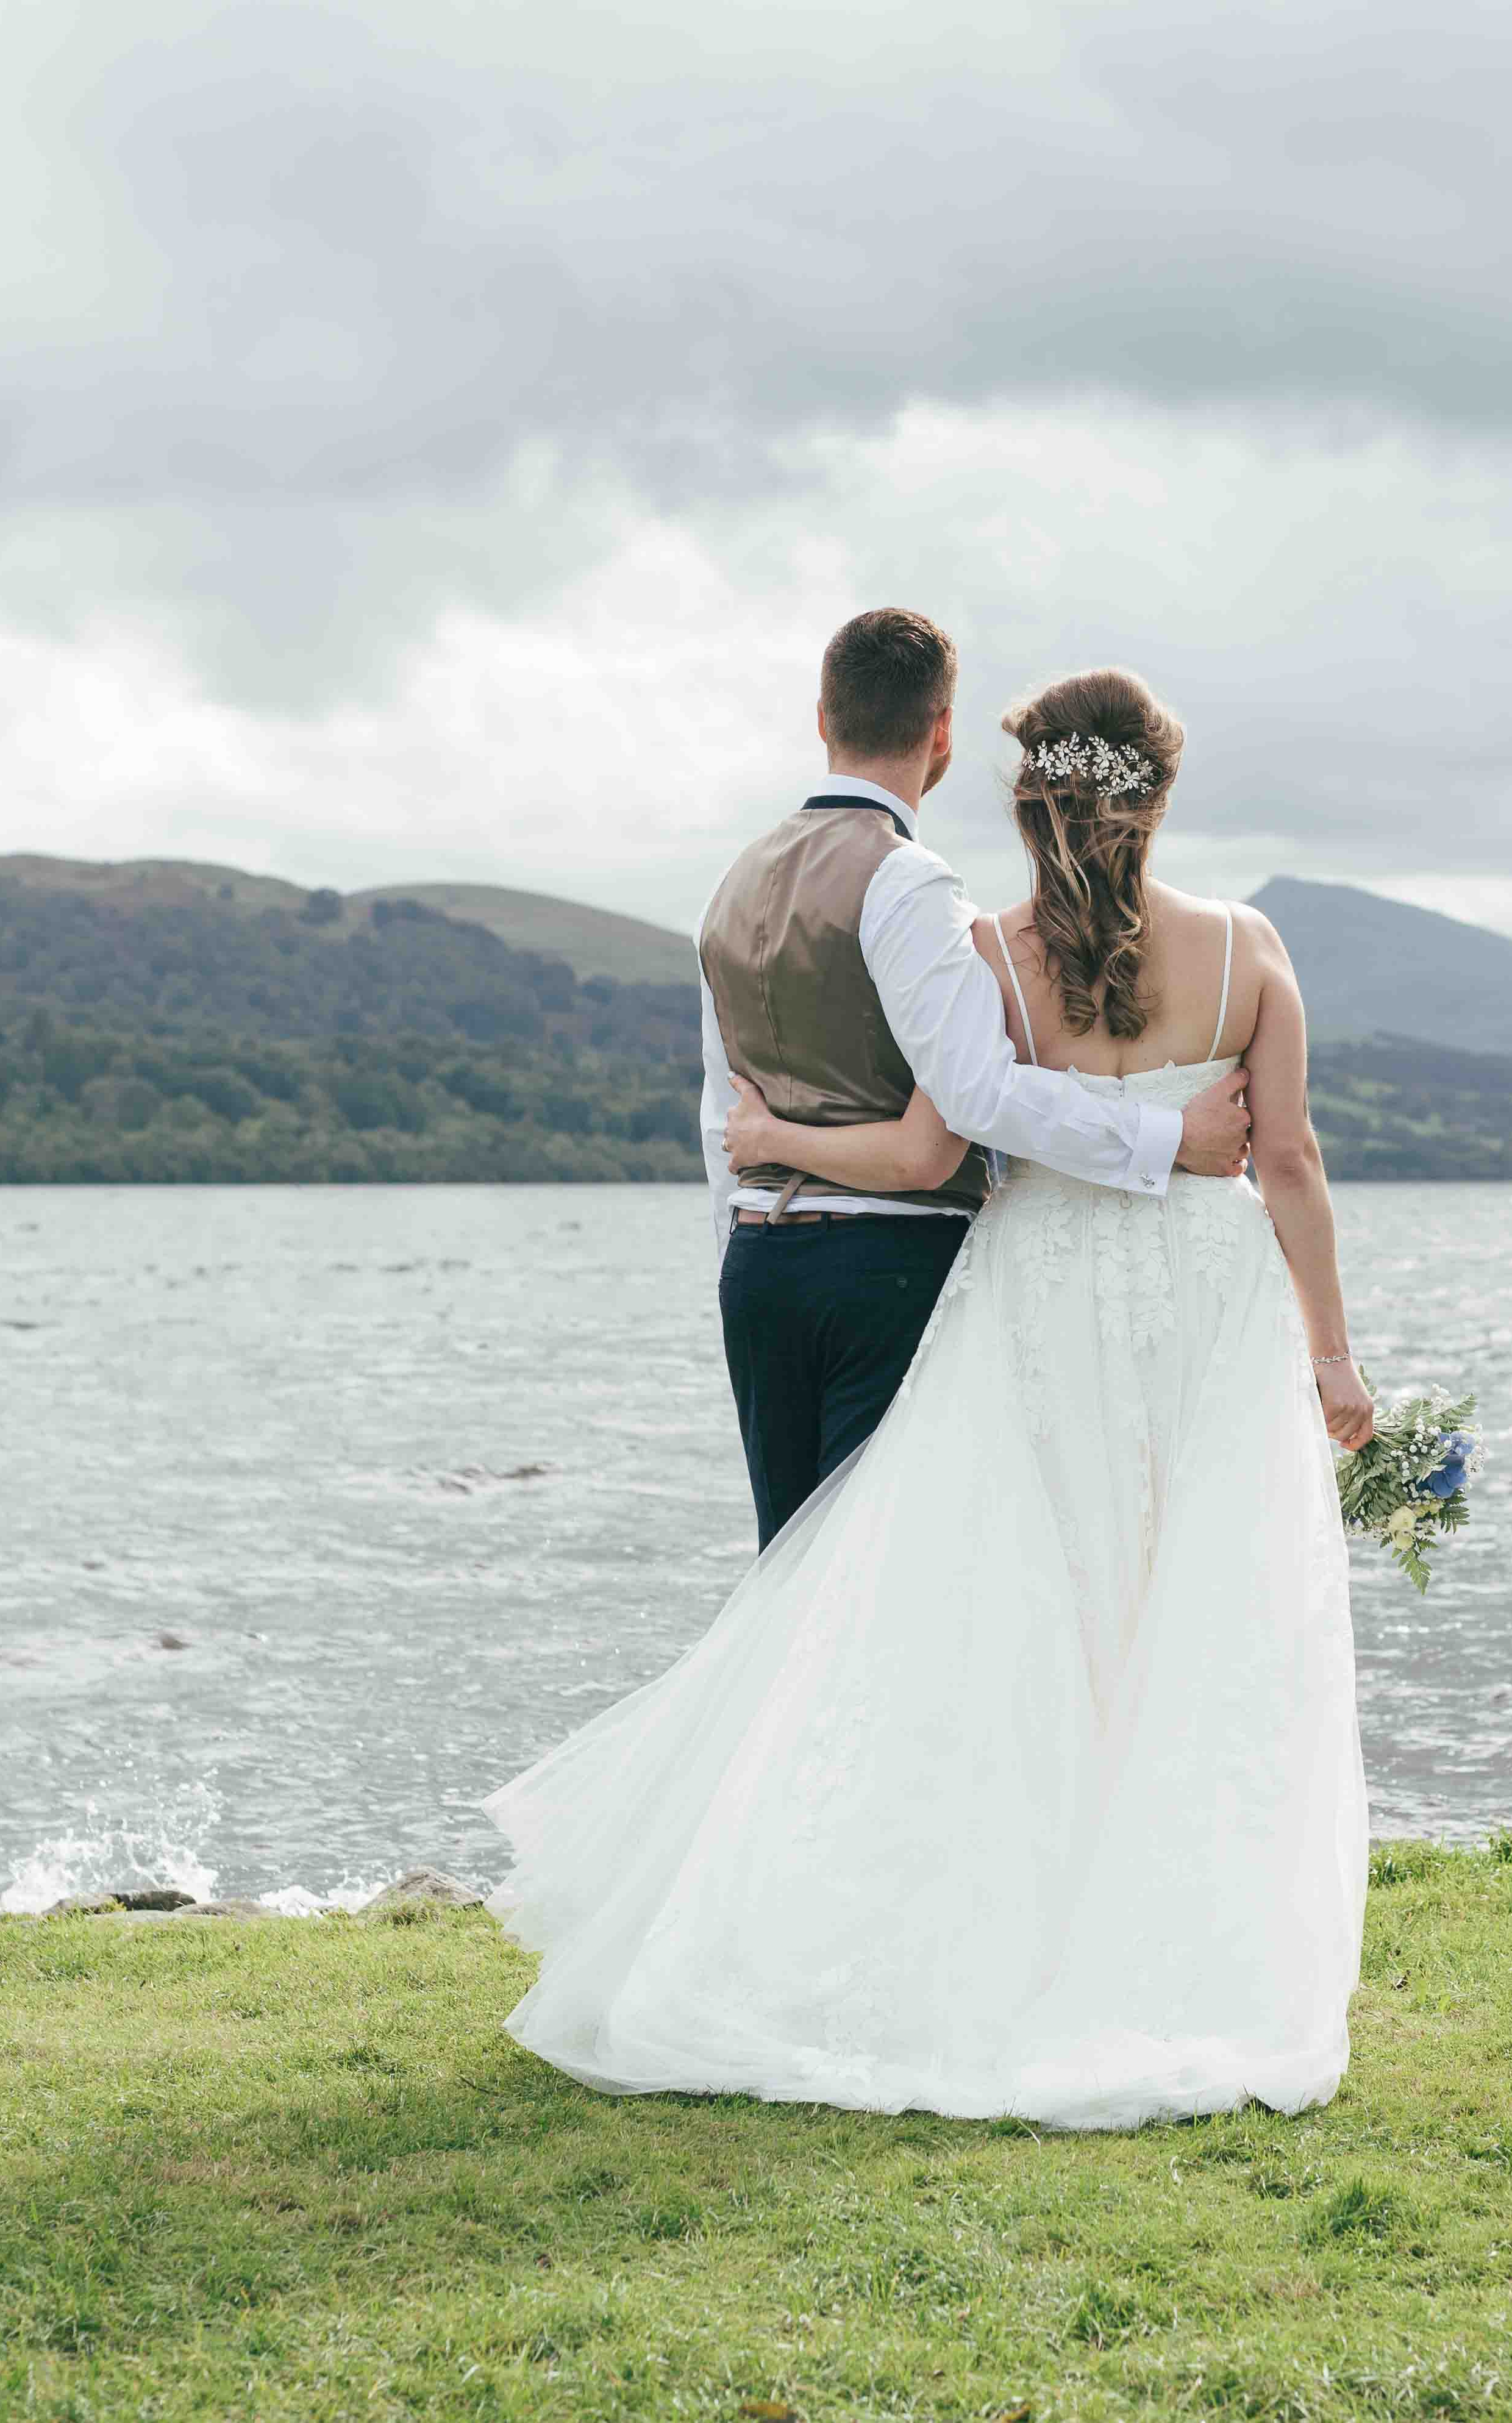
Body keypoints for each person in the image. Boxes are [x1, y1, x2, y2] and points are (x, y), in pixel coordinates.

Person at [486, 663, 1374, 2130]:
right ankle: (1172, 1947)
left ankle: (987, 1922)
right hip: (1211, 1309)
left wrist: (768, 1138)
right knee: (1200, 1611)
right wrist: (1332, 1354)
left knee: (1016, 1607)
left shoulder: (988, 953)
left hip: (1031, 1298)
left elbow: (940, 1130)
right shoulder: (1249, 947)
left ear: (1029, 796)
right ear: (1158, 793)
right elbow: (1290, 1162)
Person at [687, 607, 1253, 1546]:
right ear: (942, 731)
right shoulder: (904, 880)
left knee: (784, 1594)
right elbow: (977, 1094)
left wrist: (742, 1258)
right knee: (870, 1581)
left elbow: (723, 1113)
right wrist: (1167, 1137)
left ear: (821, 717)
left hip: (759, 1270)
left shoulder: (731, 883)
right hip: (883, 1276)